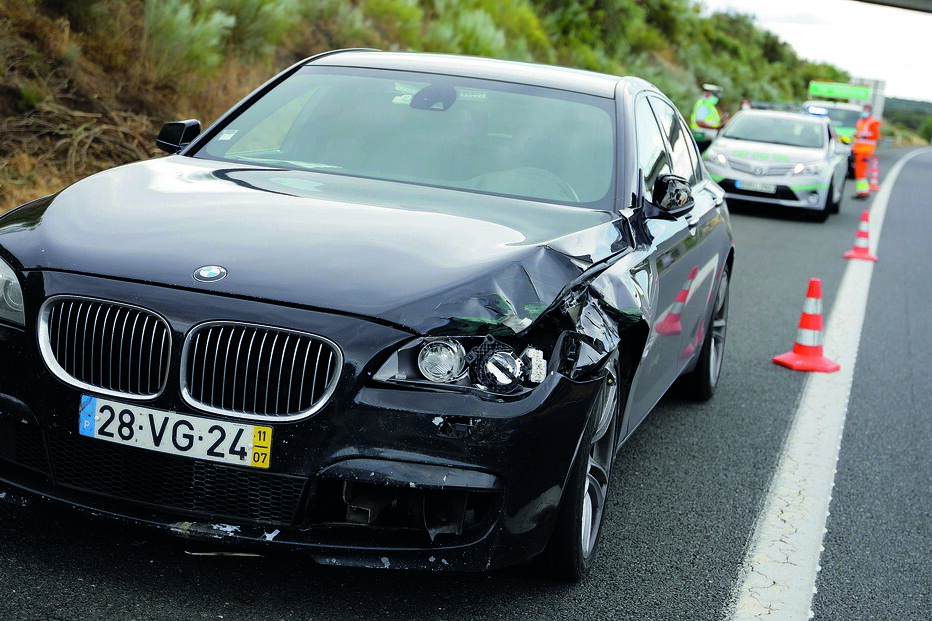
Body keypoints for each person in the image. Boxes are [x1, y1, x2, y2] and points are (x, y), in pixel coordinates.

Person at [852, 104, 881, 198]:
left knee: (861, 172)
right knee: (858, 172)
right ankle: (861, 191)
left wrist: (863, 136)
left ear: (869, 112)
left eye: (866, 110)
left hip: (865, 150)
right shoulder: (860, 121)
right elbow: (858, 133)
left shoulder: (873, 122)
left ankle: (864, 192)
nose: (864, 112)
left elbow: (876, 136)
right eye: (863, 110)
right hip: (858, 149)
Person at [690, 84, 723, 153]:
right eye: (715, 95)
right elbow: (699, 122)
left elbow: (710, 120)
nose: (716, 97)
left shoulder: (708, 104)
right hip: (701, 138)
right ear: (708, 94)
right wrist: (716, 128)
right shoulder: (704, 105)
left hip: (704, 137)